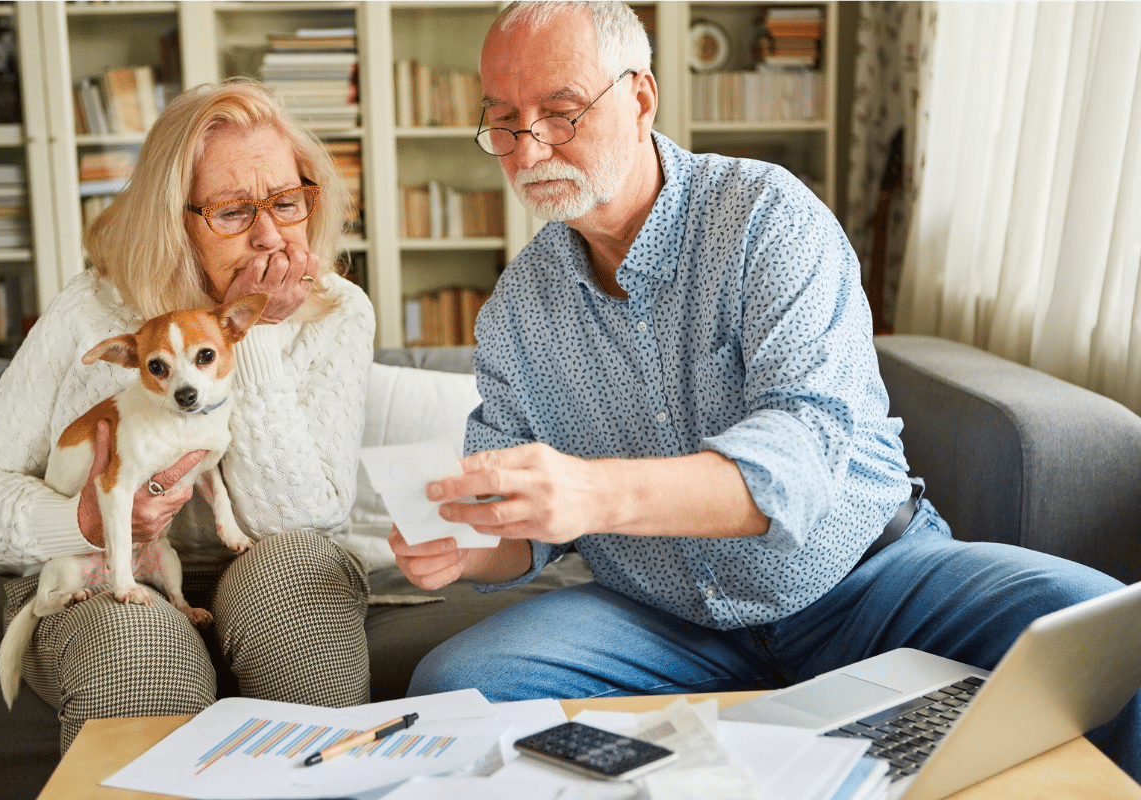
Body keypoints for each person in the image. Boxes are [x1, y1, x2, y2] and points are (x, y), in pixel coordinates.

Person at [390, 0, 1139, 779]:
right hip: (665, 620)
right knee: (455, 687)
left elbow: (797, 462)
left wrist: (592, 492)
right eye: (505, 121)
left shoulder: (766, 217)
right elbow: (526, 532)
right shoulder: (517, 309)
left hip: (867, 580)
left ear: (640, 97)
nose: (529, 146)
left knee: (1102, 626)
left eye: (561, 112)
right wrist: (470, 549)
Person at [0, 79, 374, 752]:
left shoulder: (337, 311)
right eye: (233, 212)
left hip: (264, 563)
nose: (269, 234)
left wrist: (246, 334)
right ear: (173, 216)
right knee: (141, 663)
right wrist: (78, 521)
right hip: (103, 570)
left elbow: (306, 520)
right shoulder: (92, 311)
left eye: (287, 202)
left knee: (295, 593)